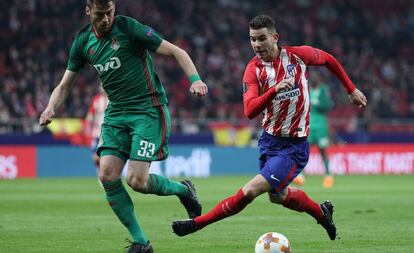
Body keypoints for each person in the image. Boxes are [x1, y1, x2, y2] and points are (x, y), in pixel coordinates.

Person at [172, 14, 367, 241]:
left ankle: (197, 224)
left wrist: (351, 89)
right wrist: (274, 90)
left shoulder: (298, 57)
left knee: (250, 191)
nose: (256, 44)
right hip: (269, 141)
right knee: (279, 196)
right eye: (252, 39)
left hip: (293, 147)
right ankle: (322, 213)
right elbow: (249, 111)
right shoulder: (253, 70)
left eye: (262, 38)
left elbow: (329, 60)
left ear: (275, 38)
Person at [39, 1, 208, 252]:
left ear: (114, 8)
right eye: (100, 14)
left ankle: (183, 190)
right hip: (116, 113)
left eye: (109, 12)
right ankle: (141, 243)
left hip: (147, 111)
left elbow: (176, 51)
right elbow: (64, 86)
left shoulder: (129, 28)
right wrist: (50, 107)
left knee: (137, 181)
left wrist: (195, 79)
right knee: (107, 174)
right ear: (88, 11)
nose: (106, 19)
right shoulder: (83, 42)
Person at [293, 72, 335, 188]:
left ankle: (328, 175)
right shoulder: (307, 89)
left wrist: (318, 103)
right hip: (309, 124)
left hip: (321, 124)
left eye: (316, 78)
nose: (314, 80)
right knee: (304, 149)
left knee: (322, 150)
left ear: (319, 79)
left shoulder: (323, 90)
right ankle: (300, 175)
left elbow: (329, 104)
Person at [85, 85, 108, 173]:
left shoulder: (113, 99)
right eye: (100, 86)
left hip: (109, 133)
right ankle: (100, 173)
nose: (101, 88)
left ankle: (106, 174)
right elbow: (90, 114)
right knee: (95, 157)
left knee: (107, 156)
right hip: (97, 133)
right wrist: (88, 122)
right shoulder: (96, 99)